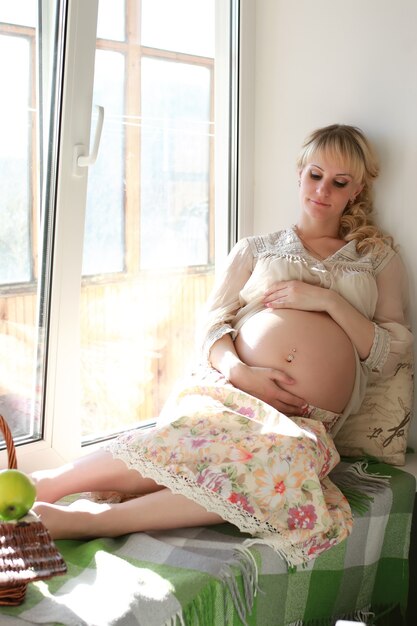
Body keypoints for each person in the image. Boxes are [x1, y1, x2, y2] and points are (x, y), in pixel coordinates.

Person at [32, 124, 413, 566]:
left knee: (275, 473)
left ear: (358, 189)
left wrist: (327, 301)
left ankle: (88, 522)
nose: (323, 190)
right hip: (236, 392)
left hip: (303, 421)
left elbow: (390, 353)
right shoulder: (257, 249)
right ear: (299, 174)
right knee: (182, 439)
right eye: (315, 175)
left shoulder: (377, 258)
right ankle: (46, 483)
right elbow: (211, 324)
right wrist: (241, 372)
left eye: (339, 182)